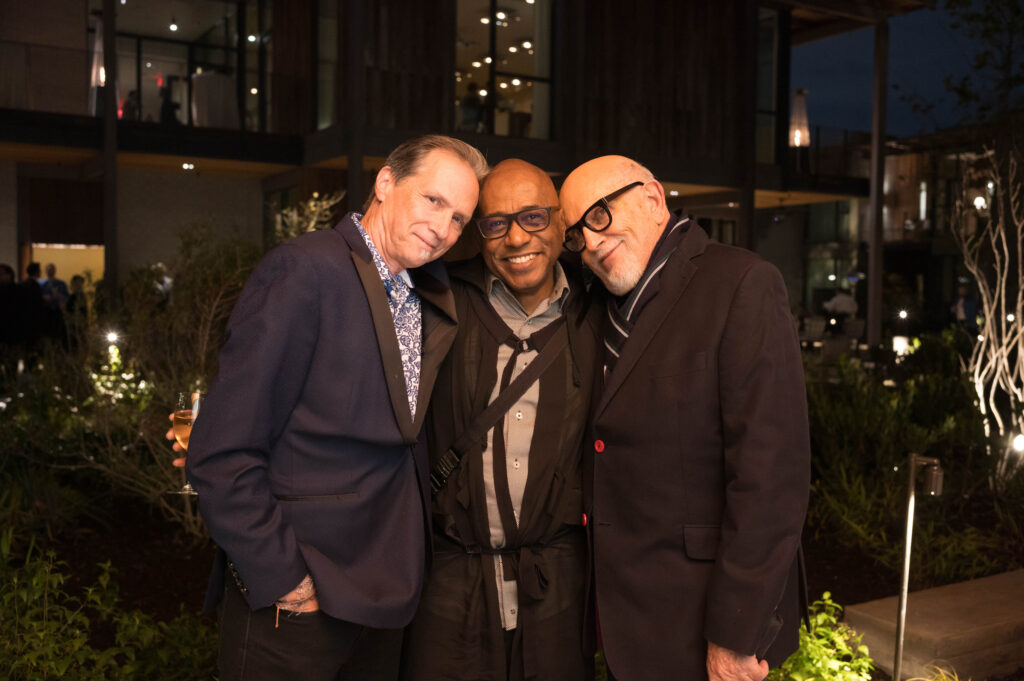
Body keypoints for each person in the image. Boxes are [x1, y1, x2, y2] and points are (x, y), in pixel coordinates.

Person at [184, 135, 488, 681]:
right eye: (433, 201)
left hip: (383, 598)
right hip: (298, 601)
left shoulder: (422, 292)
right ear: (386, 183)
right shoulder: (304, 271)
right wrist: (282, 578)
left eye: (460, 218)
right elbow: (221, 451)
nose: (443, 228)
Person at [559, 155, 810, 681]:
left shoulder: (741, 282)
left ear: (653, 198)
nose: (592, 240)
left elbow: (772, 479)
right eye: (578, 232)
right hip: (625, 620)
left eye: (600, 214)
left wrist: (735, 636)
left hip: (704, 620)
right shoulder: (594, 305)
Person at [401, 160, 601, 681]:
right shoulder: (436, 301)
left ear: (561, 223)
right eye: (496, 223)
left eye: (534, 217)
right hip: (448, 583)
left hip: (556, 584)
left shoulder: (601, 312)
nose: (517, 237)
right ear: (478, 235)